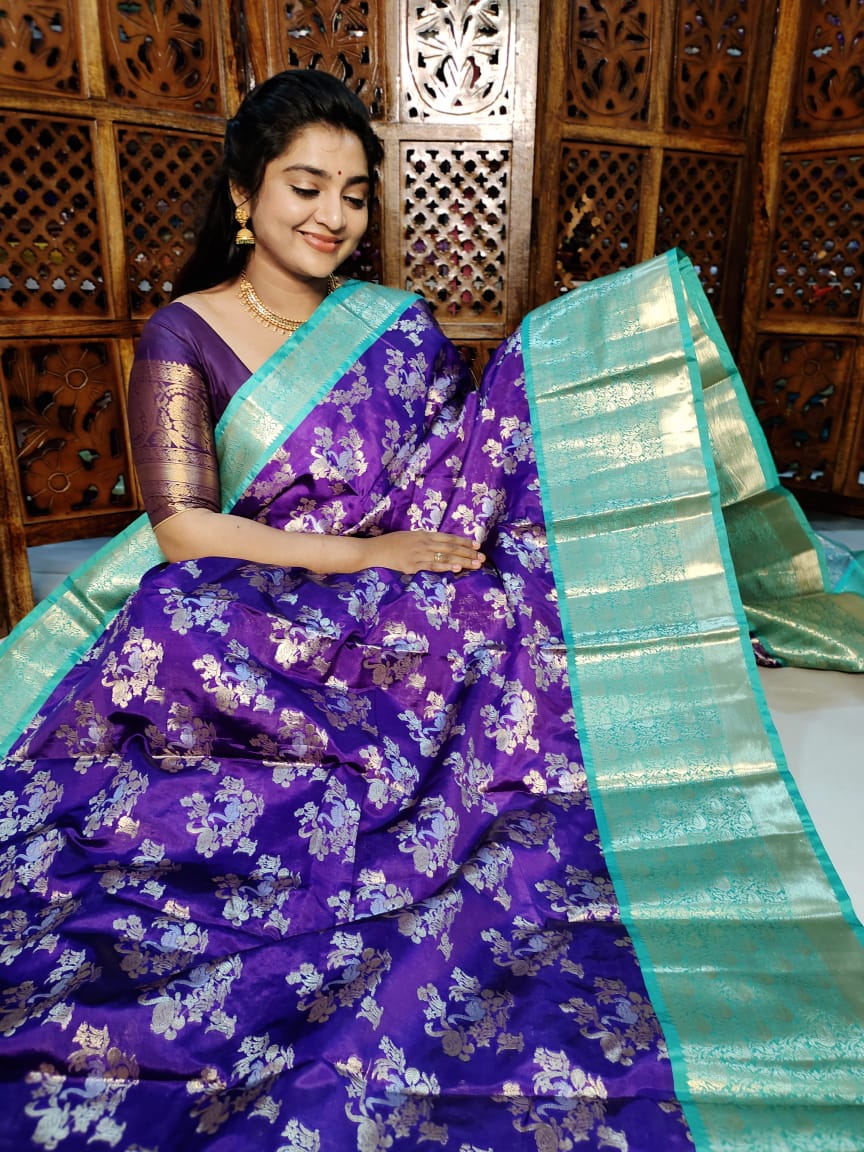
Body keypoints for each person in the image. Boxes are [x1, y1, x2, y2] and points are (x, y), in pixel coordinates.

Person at [0, 69, 862, 1151]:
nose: (332, 215)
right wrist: (360, 554)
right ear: (245, 196)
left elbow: (459, 458)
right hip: (273, 577)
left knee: (502, 585)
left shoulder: (390, 322)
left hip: (403, 564)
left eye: (355, 194)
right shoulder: (187, 329)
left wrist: (561, 375)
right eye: (306, 186)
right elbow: (182, 527)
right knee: (174, 617)